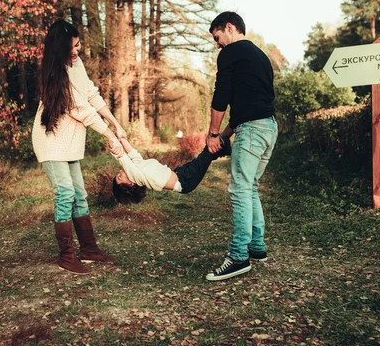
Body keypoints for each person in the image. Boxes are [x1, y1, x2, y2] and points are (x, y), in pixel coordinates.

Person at [32, 19, 125, 275]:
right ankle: (66, 256)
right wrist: (108, 134)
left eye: (78, 45)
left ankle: (89, 250)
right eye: (71, 48)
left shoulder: (76, 64)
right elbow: (82, 109)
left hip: (70, 141)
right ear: (58, 49)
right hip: (51, 141)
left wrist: (116, 124)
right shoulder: (56, 74)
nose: (76, 51)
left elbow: (91, 94)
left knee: (79, 194)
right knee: (65, 193)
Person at [204, 12, 278, 282]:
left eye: (217, 37)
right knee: (251, 186)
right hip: (269, 128)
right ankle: (256, 247)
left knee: (239, 189)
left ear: (229, 27)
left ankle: (238, 257)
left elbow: (221, 96)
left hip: (253, 130)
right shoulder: (261, 57)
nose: (217, 44)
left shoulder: (230, 53)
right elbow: (247, 105)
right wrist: (225, 136)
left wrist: (213, 133)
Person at [110, 133, 232, 204]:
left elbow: (133, 153)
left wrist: (122, 140)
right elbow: (124, 160)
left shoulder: (138, 168)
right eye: (120, 177)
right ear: (131, 184)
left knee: (209, 155)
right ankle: (231, 142)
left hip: (181, 173)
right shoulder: (137, 176)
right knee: (208, 151)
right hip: (186, 181)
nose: (121, 171)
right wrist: (116, 150)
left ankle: (225, 149)